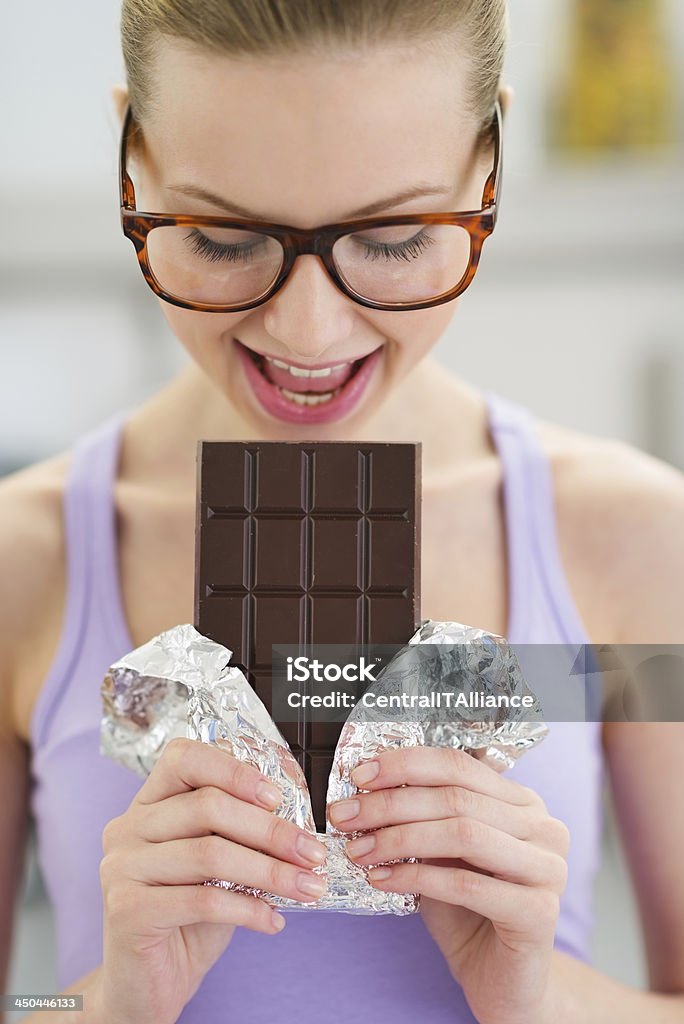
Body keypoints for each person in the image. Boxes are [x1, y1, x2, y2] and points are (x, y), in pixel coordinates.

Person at [1, 1, 683, 1022]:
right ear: (132, 158)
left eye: (397, 237)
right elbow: (30, 1002)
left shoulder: (637, 543)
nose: (306, 332)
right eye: (223, 238)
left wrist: (552, 999)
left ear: (488, 164)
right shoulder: (25, 559)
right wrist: (108, 1003)